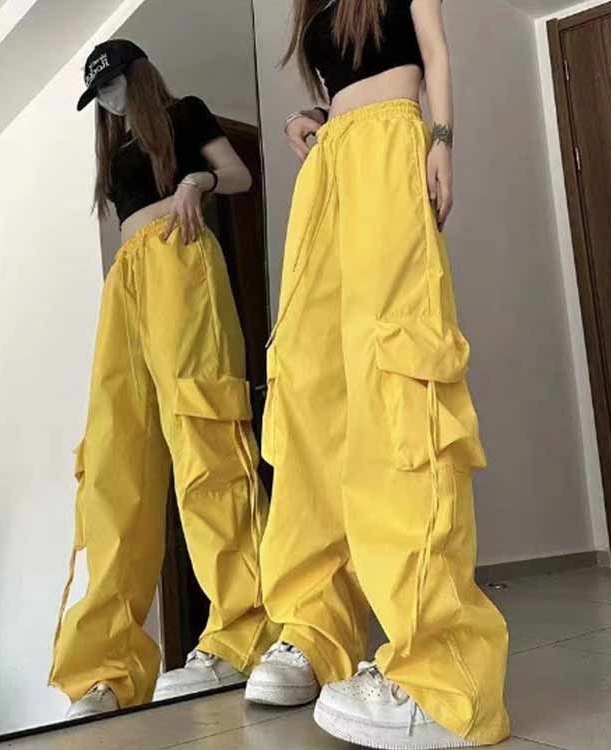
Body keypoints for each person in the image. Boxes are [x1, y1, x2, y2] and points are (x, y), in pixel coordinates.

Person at [244, 1, 510, 748]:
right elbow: (343, 80)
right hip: (330, 167)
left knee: (400, 375)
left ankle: (445, 675)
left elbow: (435, 53)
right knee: (311, 387)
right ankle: (317, 628)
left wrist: (443, 140)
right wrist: (312, 119)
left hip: (395, 144)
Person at [48, 39, 278, 720]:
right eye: (100, 96)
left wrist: (194, 181)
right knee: (114, 460)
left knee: (205, 441)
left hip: (181, 262)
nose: (109, 102)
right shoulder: (116, 149)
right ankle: (108, 667)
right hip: (126, 283)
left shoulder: (186, 115)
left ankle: (244, 632)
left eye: (113, 86)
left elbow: (237, 175)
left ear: (137, 76)